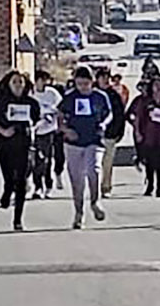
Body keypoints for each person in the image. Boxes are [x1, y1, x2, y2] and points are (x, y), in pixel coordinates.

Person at [56, 65, 111, 228]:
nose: (82, 87)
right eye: (79, 84)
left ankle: (95, 201)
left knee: (94, 169)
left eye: (85, 84)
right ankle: (78, 212)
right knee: (76, 179)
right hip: (74, 142)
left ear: (91, 82)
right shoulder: (70, 97)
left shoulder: (100, 97)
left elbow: (109, 114)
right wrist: (65, 129)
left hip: (94, 139)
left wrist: (103, 124)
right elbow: (59, 115)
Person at [0, 71, 39, 231]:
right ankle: (6, 191)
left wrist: (33, 126)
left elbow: (37, 121)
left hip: (24, 145)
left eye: (21, 82)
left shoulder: (31, 102)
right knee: (10, 180)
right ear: (8, 84)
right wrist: (3, 131)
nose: (18, 85)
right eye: (15, 82)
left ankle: (18, 219)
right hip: (5, 145)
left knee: (21, 183)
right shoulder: (0, 102)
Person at [132, 76, 160, 197]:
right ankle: (150, 185)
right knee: (150, 162)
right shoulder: (145, 101)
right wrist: (138, 133)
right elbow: (138, 118)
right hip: (148, 136)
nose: (158, 88)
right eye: (156, 85)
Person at [31, 71, 63, 199]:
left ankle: (48, 185)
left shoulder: (52, 93)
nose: (44, 83)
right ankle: (37, 186)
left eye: (46, 80)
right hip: (34, 130)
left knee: (46, 159)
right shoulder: (31, 94)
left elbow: (60, 107)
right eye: (42, 80)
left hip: (48, 130)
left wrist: (51, 114)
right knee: (35, 160)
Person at [99, 68, 131, 197]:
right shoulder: (93, 94)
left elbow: (120, 115)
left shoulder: (113, 95)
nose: (105, 79)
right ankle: (94, 186)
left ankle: (106, 187)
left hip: (110, 134)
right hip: (94, 135)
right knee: (94, 164)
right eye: (102, 77)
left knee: (107, 163)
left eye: (107, 77)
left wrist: (119, 132)